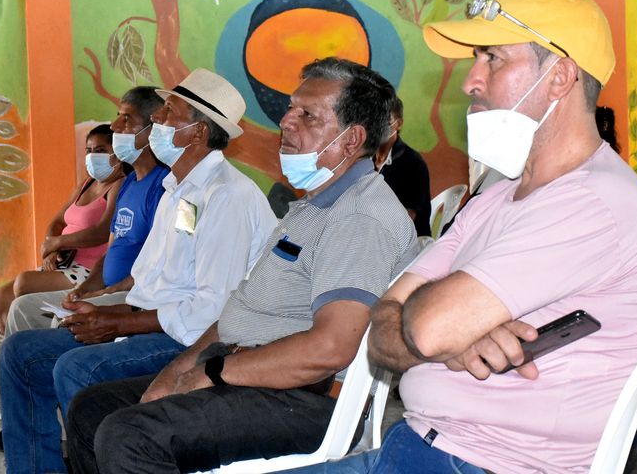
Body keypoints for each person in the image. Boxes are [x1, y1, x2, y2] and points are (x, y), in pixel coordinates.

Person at [285, 0, 637, 473]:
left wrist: (439, 330)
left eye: (493, 58)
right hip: (419, 447)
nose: (470, 81)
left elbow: (428, 328)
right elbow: (381, 329)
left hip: (483, 462)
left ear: (559, 76)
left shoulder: (595, 202)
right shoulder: (497, 197)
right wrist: (457, 338)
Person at [64, 57, 420, 474]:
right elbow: (242, 306)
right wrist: (180, 368)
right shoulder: (313, 207)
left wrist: (214, 372)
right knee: (92, 409)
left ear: (351, 139)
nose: (286, 121)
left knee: (129, 436)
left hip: (303, 398)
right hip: (248, 368)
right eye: (290, 108)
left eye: (307, 115)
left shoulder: (359, 218)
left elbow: (331, 347)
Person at [0, 68, 276, 474]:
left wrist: (117, 324)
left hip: (196, 340)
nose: (157, 119)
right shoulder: (176, 190)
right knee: (20, 354)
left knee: (77, 368)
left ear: (197, 133)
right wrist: (103, 312)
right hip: (158, 323)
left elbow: (212, 310)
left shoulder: (227, 196)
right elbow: (148, 282)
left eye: (169, 112)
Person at [0, 87, 170, 453]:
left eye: (126, 119)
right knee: (21, 308)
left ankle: (66, 430)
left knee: (60, 327)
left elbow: (156, 261)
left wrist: (108, 292)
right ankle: (24, 424)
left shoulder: (163, 187)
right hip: (105, 286)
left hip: (134, 293)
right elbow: (112, 249)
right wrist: (87, 288)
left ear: (152, 129)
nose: (116, 125)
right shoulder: (130, 184)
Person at [0, 124, 124, 334]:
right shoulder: (87, 183)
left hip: (86, 270)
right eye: (89, 151)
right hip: (64, 262)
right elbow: (58, 221)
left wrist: (59, 242)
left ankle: (27, 333)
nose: (92, 157)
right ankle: (19, 334)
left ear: (117, 154)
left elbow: (102, 231)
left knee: (23, 283)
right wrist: (52, 250)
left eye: (100, 151)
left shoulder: (119, 184)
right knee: (2, 297)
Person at [374, 96, 432, 236]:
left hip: (406, 240)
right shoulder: (363, 159)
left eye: (386, 121)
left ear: (399, 124)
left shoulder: (414, 164)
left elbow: (408, 218)